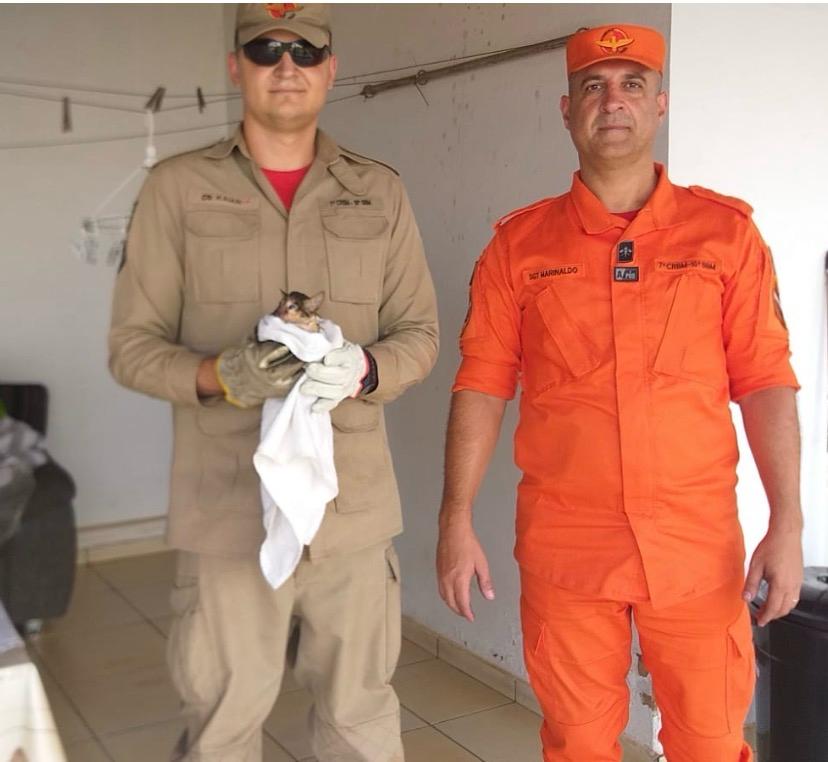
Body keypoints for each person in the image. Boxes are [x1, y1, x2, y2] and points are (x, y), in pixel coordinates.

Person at [436, 23, 803, 762]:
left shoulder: (725, 236)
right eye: (593, 87)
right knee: (577, 744)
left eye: (633, 85)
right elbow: (481, 382)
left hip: (695, 548)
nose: (613, 102)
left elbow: (765, 379)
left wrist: (787, 522)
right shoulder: (518, 247)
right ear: (566, 110)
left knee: (710, 743)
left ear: (659, 105)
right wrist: (456, 518)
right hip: (568, 548)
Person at [109, 4, 438, 760]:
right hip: (227, 514)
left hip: (351, 514)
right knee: (223, 727)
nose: (286, 66)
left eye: (305, 50)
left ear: (331, 68)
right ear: (236, 67)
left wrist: (364, 369)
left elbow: (420, 334)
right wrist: (217, 374)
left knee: (359, 723)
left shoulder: (379, 192)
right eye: (265, 49)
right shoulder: (177, 189)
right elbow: (131, 348)